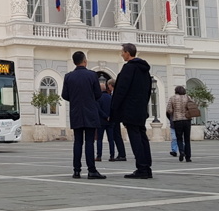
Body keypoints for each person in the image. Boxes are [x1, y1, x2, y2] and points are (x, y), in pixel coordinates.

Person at [110, 43, 153, 179]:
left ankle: (141, 168)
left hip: (130, 109)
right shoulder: (144, 70)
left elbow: (121, 90)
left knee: (135, 138)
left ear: (128, 53)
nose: (121, 54)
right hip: (140, 108)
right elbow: (148, 90)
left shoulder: (129, 68)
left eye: (122, 52)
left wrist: (114, 108)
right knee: (142, 137)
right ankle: (147, 167)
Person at [61, 51, 106, 180]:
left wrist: (75, 99)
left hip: (76, 112)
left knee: (78, 142)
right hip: (90, 112)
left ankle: (76, 171)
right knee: (90, 142)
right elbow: (98, 94)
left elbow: (65, 95)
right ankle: (91, 170)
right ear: (84, 61)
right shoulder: (92, 75)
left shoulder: (68, 76)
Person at [166, 86, 193, 162]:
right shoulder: (188, 97)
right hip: (187, 120)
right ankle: (188, 157)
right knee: (187, 139)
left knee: (179, 138)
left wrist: (173, 113)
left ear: (176, 91)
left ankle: (181, 151)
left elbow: (169, 110)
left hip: (177, 120)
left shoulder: (172, 98)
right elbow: (192, 107)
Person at [104, 79, 126, 161]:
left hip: (115, 118)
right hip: (116, 117)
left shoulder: (115, 94)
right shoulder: (114, 93)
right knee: (116, 136)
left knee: (117, 136)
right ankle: (121, 153)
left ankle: (122, 154)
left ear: (110, 85)